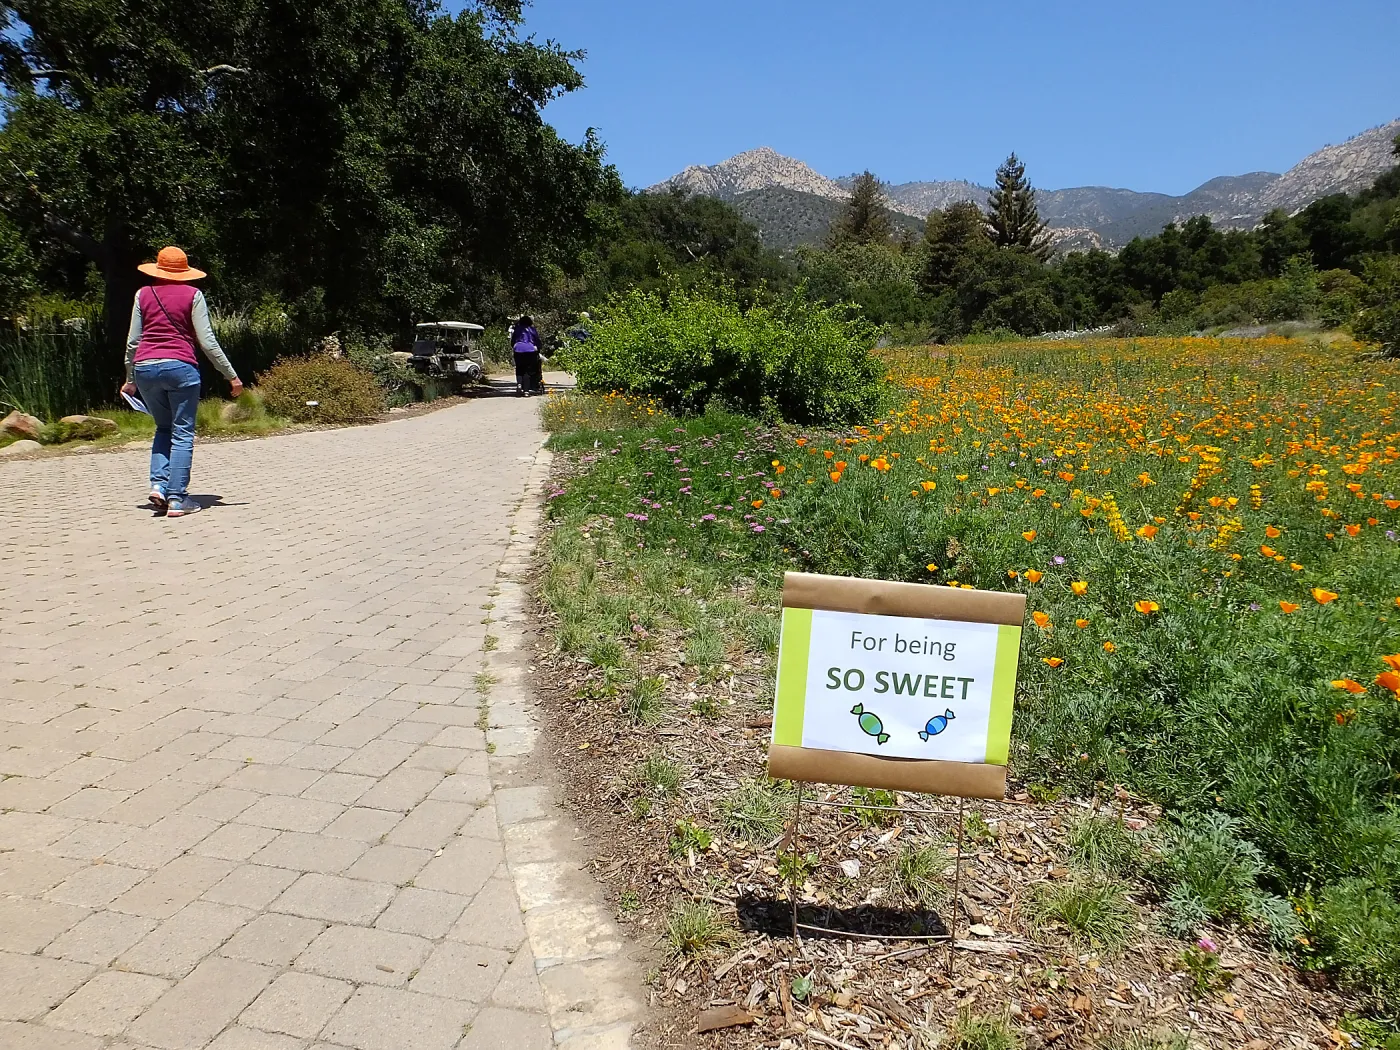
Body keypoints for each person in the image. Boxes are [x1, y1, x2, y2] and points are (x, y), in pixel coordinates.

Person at [119, 246, 243, 517]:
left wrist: (130, 379)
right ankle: (177, 499)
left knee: (163, 428)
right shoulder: (193, 295)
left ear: (158, 269)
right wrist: (231, 375)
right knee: (183, 432)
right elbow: (207, 341)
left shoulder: (143, 294)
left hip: (145, 369)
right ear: (184, 272)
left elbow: (133, 342)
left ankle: (158, 486)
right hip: (180, 368)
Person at [510, 315, 544, 396]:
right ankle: (526, 391)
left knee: (519, 368)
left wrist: (515, 347)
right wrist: (538, 347)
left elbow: (513, 341)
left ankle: (519, 384)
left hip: (518, 349)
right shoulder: (532, 329)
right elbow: (537, 340)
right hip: (530, 350)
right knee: (527, 371)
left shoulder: (517, 329)